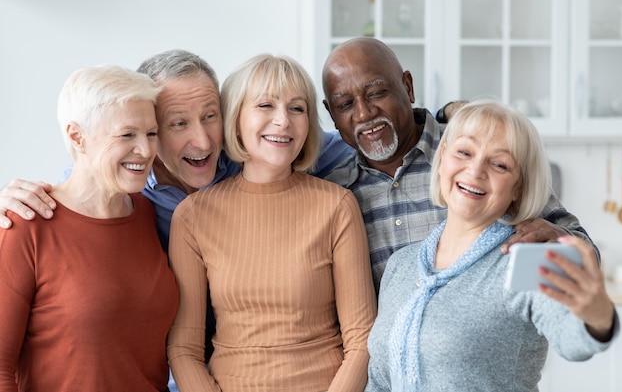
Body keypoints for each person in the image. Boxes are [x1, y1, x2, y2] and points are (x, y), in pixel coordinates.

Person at [0, 50, 355, 391]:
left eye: (210, 116)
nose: (201, 141)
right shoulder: (106, 200)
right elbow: (82, 189)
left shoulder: (261, 155)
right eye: (177, 123)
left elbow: (353, 136)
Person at [365, 99, 619, 392]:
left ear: (518, 188)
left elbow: (572, 340)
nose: (475, 171)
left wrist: (598, 318)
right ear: (443, 157)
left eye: (499, 164)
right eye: (464, 152)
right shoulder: (401, 264)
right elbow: (380, 380)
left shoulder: (528, 261)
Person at [167, 54, 376, 392]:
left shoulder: (336, 206)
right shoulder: (193, 216)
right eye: (265, 105)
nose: (283, 121)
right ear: (235, 119)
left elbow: (362, 339)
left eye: (297, 108)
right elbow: (184, 349)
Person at [321, 37, 597, 293]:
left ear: (408, 87)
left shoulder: (473, 153)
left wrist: (561, 242)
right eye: (345, 104)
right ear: (331, 114)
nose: (363, 113)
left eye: (377, 93)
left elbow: (586, 261)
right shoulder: (335, 192)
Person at [0, 65, 179, 392]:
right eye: (127, 135)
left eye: (151, 133)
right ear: (76, 136)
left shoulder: (146, 213)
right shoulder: (25, 224)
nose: (146, 150)